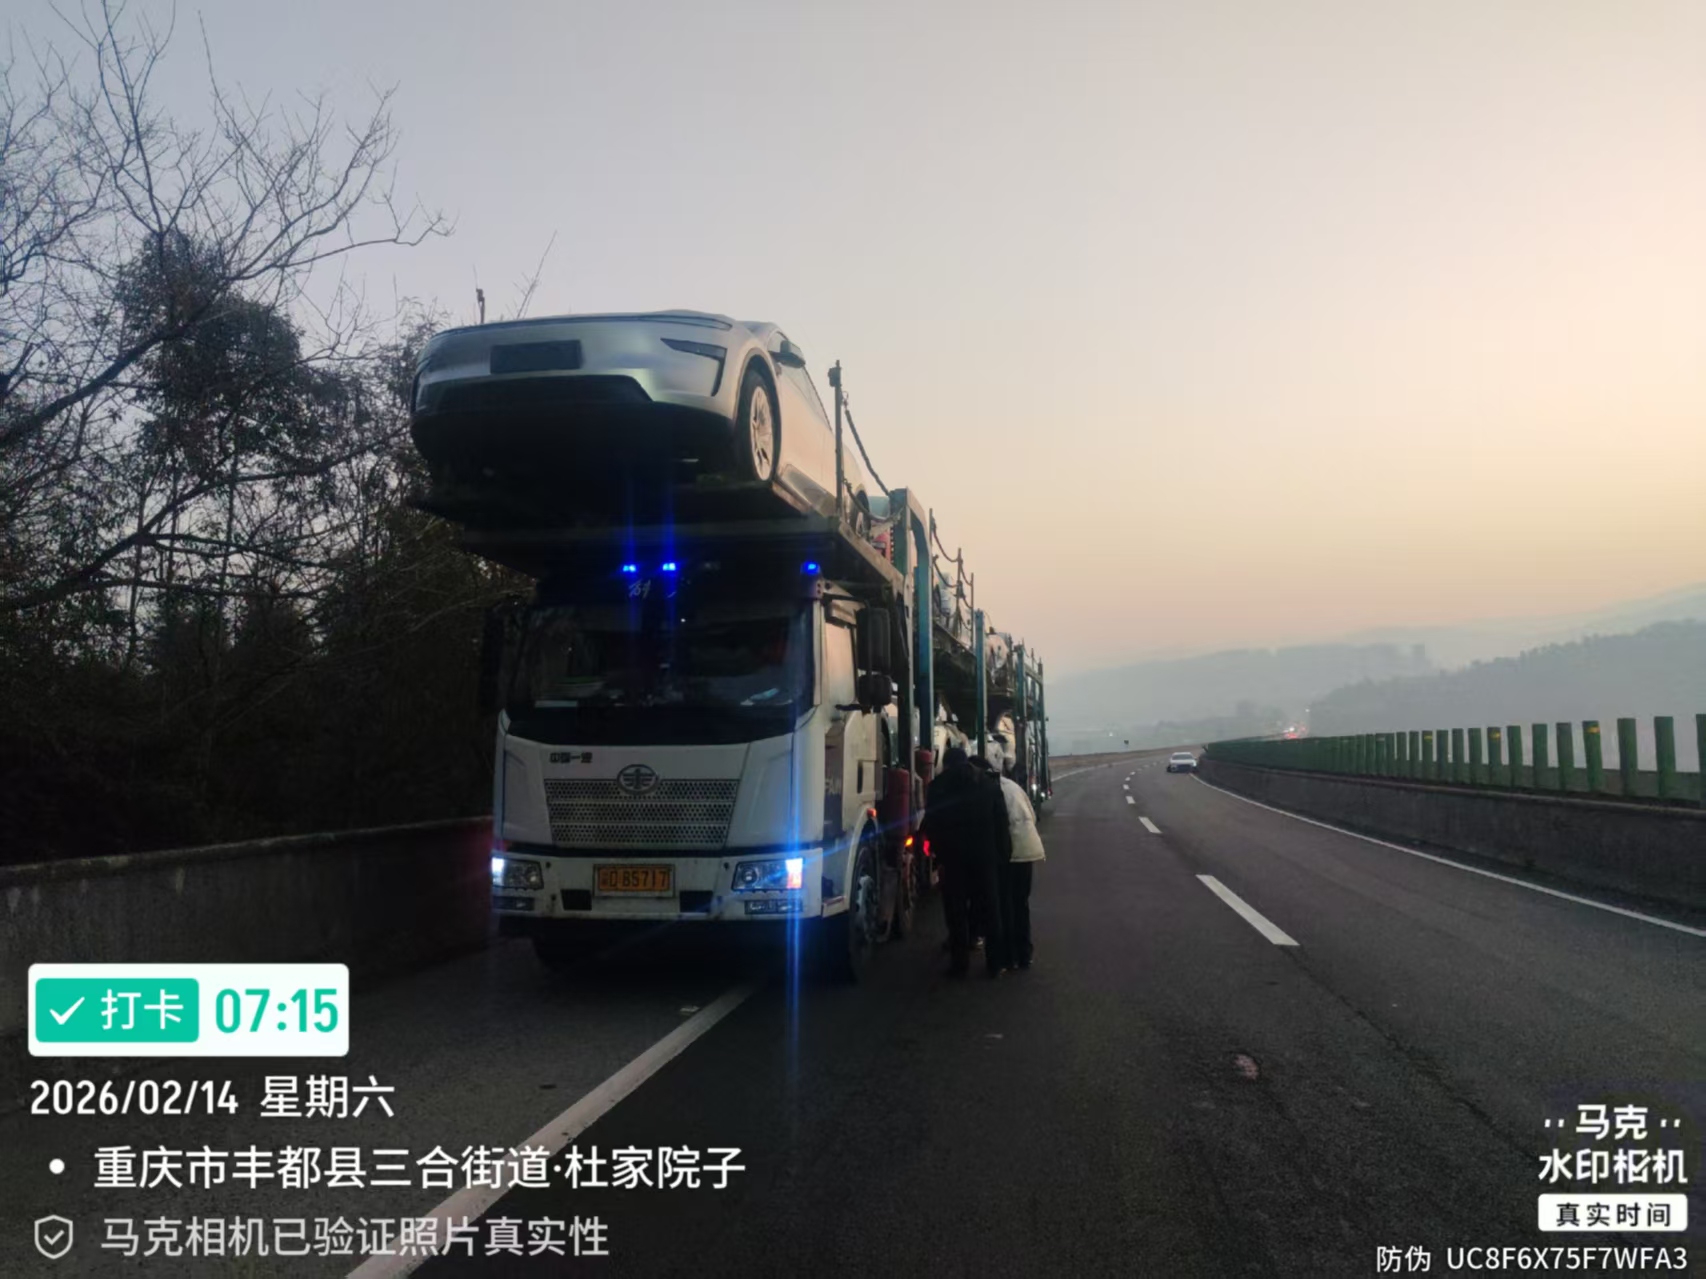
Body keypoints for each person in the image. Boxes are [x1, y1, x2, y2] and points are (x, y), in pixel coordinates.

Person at [917, 745, 1007, 978]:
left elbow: (932, 824)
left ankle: (960, 965)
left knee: (956, 911)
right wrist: (1002, 856)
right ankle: (995, 963)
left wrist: (939, 855)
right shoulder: (987, 784)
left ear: (946, 764)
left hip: (953, 858)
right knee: (991, 909)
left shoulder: (937, 786)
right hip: (985, 857)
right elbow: (1001, 823)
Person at [991, 768, 1045, 970]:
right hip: (1027, 850)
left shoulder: (989, 790)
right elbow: (1032, 815)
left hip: (1009, 854)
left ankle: (1009, 956)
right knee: (1021, 903)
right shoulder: (1014, 787)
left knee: (1005, 905)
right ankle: (1024, 954)